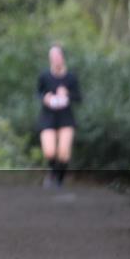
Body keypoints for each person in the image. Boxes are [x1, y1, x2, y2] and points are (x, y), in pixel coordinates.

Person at [36, 45, 82, 188]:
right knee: (50, 152)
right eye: (53, 56)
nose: (56, 59)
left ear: (62, 57)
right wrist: (45, 97)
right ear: (50, 59)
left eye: (58, 56)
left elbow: (79, 97)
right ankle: (52, 174)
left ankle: (58, 181)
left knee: (63, 153)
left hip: (65, 118)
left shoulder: (71, 77)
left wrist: (67, 93)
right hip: (48, 117)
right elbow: (38, 93)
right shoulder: (44, 76)